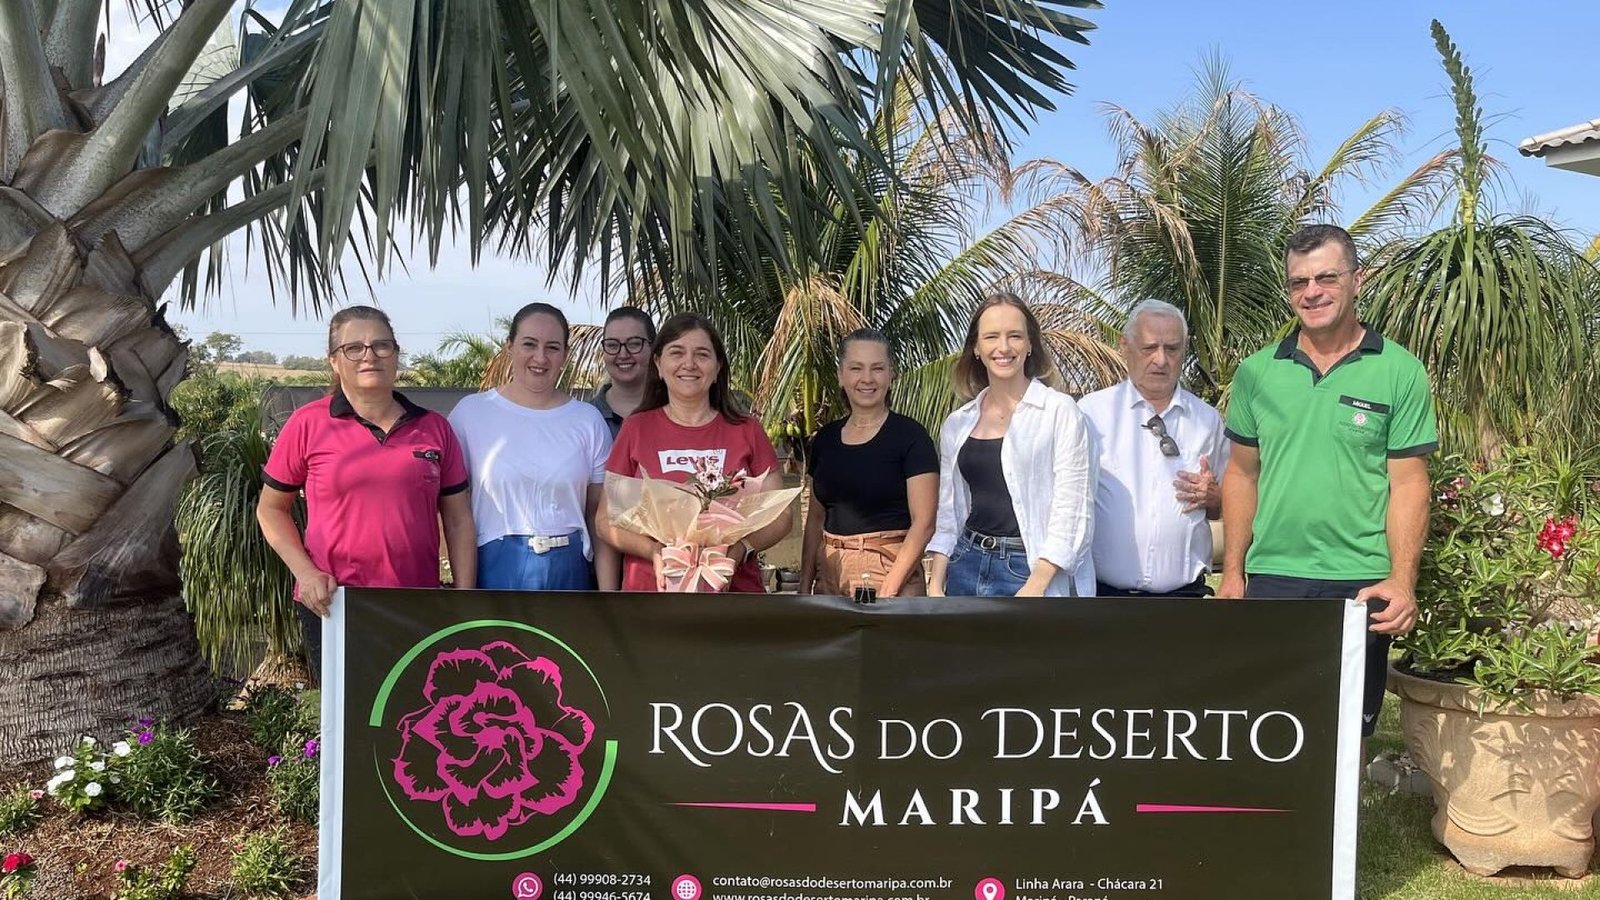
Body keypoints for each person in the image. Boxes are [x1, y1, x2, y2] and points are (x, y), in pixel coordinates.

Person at [1220, 223, 1436, 738]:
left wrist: (1403, 580)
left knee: (1345, 736)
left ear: (1357, 280)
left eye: (1326, 277)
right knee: (1266, 727)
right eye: (1299, 282)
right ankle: (1273, 822)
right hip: (1273, 577)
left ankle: (1342, 825)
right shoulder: (1256, 373)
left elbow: (1409, 485)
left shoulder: (1399, 371)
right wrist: (1232, 574)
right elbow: (1241, 474)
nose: (1311, 292)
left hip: (1361, 580)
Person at [257, 306, 476, 683]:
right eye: (354, 348)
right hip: (334, 603)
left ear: (396, 354)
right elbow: (271, 510)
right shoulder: (308, 423)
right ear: (334, 361)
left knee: (412, 721)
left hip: (417, 604)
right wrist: (306, 573)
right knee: (345, 730)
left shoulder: (434, 428)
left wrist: (463, 596)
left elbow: (457, 520)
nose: (369, 355)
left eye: (381, 345)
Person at [594, 312, 792, 592]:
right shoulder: (636, 428)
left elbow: (781, 517)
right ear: (659, 365)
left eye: (702, 354)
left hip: (733, 592)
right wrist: (653, 551)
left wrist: (739, 550)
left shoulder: (747, 429)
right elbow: (605, 519)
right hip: (650, 594)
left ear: (718, 367)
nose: (689, 363)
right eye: (677, 352)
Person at [927, 293, 1096, 598]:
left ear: (1030, 344)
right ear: (976, 348)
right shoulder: (957, 423)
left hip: (1028, 571)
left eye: (1014, 336)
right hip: (966, 564)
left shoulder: (1060, 411)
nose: (1003, 348)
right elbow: (950, 512)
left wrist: (1036, 585)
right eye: (991, 337)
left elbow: (1072, 509)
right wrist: (936, 582)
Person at [449, 302, 618, 591]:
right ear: (509, 346)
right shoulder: (470, 414)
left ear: (564, 354)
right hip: (493, 570)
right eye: (529, 344)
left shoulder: (588, 420)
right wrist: (463, 594)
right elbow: (453, 513)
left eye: (552, 347)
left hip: (570, 573)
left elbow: (598, 518)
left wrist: (608, 600)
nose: (540, 357)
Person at [1079, 300, 1228, 598]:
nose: (1161, 360)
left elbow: (1232, 499)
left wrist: (1215, 497)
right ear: (1125, 345)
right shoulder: (1090, 414)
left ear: (1184, 349)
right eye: (1149, 348)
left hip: (1185, 599)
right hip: (1104, 598)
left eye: (1172, 349)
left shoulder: (1207, 419)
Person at [799, 329, 939, 597]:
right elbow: (816, 518)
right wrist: (805, 584)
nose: (867, 379)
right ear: (841, 375)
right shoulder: (825, 439)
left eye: (877, 368)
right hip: (829, 571)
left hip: (889, 569)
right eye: (856, 368)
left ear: (890, 375)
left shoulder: (911, 437)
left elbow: (924, 524)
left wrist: (889, 590)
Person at [590, 306, 656, 437]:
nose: (623, 354)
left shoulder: (678, 414)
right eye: (612, 345)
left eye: (634, 344)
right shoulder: (584, 418)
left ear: (653, 348)